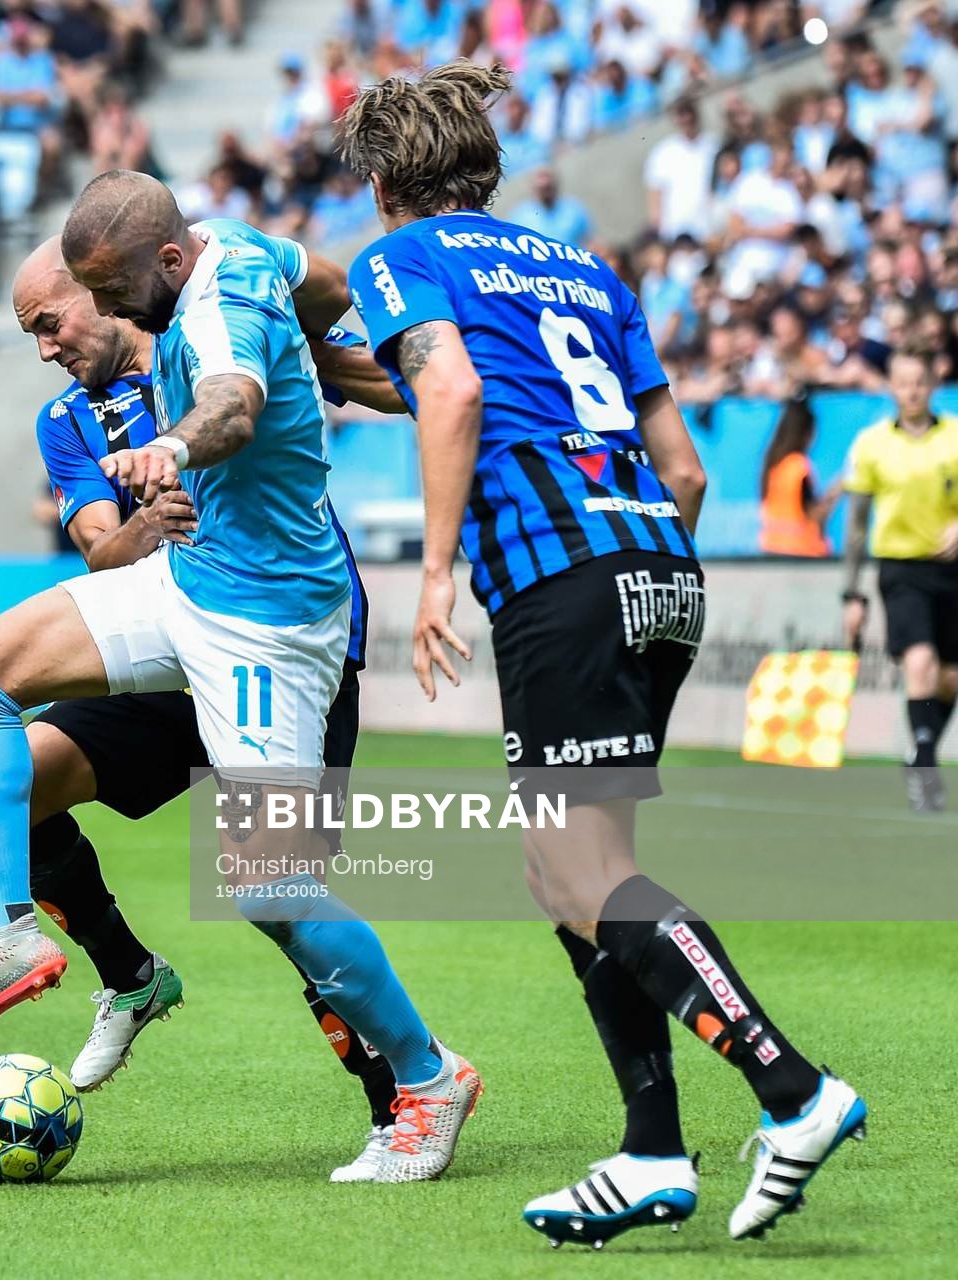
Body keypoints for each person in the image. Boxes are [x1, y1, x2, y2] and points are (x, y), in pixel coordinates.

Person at [338, 62, 864, 1246]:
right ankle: (650, 1151)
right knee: (570, 870)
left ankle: (794, 1090)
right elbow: (685, 469)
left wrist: (432, 576)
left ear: (385, 182)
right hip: (659, 570)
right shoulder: (585, 267)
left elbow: (454, 389)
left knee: (580, 874)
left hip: (560, 579)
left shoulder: (400, 258)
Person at [0, 170, 482, 1186]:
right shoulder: (233, 251)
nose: (86, 323)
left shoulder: (217, 313)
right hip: (184, 579)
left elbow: (229, 402)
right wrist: (329, 348)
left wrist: (178, 438)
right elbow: (325, 280)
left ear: (157, 265)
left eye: (87, 301)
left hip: (267, 627)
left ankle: (425, 1077)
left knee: (274, 887)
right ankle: (8, 930)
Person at [12, 237, 423, 1180]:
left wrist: (419, 376)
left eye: (49, 324)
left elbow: (359, 369)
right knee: (16, 775)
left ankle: (399, 1099)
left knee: (283, 899)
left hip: (283, 647)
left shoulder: (213, 330)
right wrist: (146, 525)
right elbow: (101, 555)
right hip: (164, 651)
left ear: (104, 290)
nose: (45, 348)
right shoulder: (67, 423)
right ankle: (128, 973)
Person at [841, 346, 958, 812]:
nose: (911, 390)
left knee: (950, 677)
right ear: (891, 386)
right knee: (920, 661)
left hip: (950, 569)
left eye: (919, 382)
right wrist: (852, 592)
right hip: (901, 567)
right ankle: (927, 762)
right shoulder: (871, 444)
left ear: (932, 385)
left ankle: (920, 752)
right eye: (902, 381)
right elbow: (855, 525)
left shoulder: (954, 436)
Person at [758, 394, 839, 558]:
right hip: (803, 552)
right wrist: (838, 490)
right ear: (806, 432)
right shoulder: (799, 467)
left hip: (772, 548)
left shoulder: (773, 463)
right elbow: (815, 516)